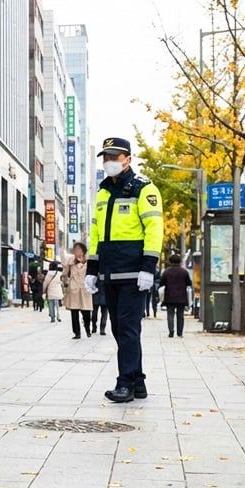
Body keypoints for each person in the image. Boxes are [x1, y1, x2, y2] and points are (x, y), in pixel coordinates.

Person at [84, 137, 163, 404]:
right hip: (109, 272)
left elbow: (154, 229)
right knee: (119, 329)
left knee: (128, 329)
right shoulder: (103, 191)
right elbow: (95, 234)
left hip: (133, 272)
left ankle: (125, 382)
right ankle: (138, 381)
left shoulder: (143, 188)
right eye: (106, 157)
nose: (109, 162)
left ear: (127, 159)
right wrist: (92, 270)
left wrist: (148, 268)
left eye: (114, 157)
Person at [62, 242, 94, 339]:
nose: (77, 251)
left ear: (83, 251)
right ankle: (77, 333)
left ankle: (88, 328)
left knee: (86, 312)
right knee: (74, 312)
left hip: (85, 289)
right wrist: (65, 281)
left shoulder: (89, 261)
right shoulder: (70, 261)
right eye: (75, 250)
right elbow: (65, 274)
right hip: (74, 289)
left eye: (79, 249)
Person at [160, 254, 192, 338]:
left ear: (170, 261)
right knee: (180, 315)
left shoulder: (166, 272)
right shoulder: (184, 272)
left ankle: (171, 331)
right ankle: (180, 333)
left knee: (170, 314)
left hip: (169, 297)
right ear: (180, 261)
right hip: (181, 297)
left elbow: (161, 283)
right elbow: (189, 283)